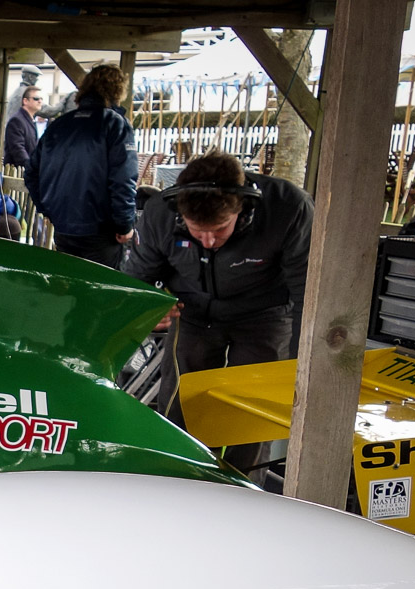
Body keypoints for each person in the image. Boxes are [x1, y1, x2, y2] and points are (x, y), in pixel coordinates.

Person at [127, 150, 313, 384]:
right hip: (192, 311)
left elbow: (308, 292)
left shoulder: (290, 208)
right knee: (182, 394)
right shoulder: (159, 213)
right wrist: (147, 308)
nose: (208, 241)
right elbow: (137, 278)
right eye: (197, 231)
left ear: (242, 208)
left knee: (254, 393)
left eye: (220, 229)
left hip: (265, 314)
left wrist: (301, 362)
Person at [25, 62, 137, 269]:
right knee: (102, 286)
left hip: (64, 228)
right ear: (118, 90)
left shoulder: (59, 125)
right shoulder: (115, 124)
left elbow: (32, 172)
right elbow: (123, 179)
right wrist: (124, 225)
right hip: (101, 231)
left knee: (69, 283)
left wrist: (48, 210)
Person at [3, 83, 41, 170]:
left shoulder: (31, 121)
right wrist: (30, 168)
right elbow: (17, 149)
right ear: (25, 101)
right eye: (36, 98)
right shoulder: (16, 120)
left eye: (41, 99)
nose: (40, 101)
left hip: (27, 172)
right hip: (16, 171)